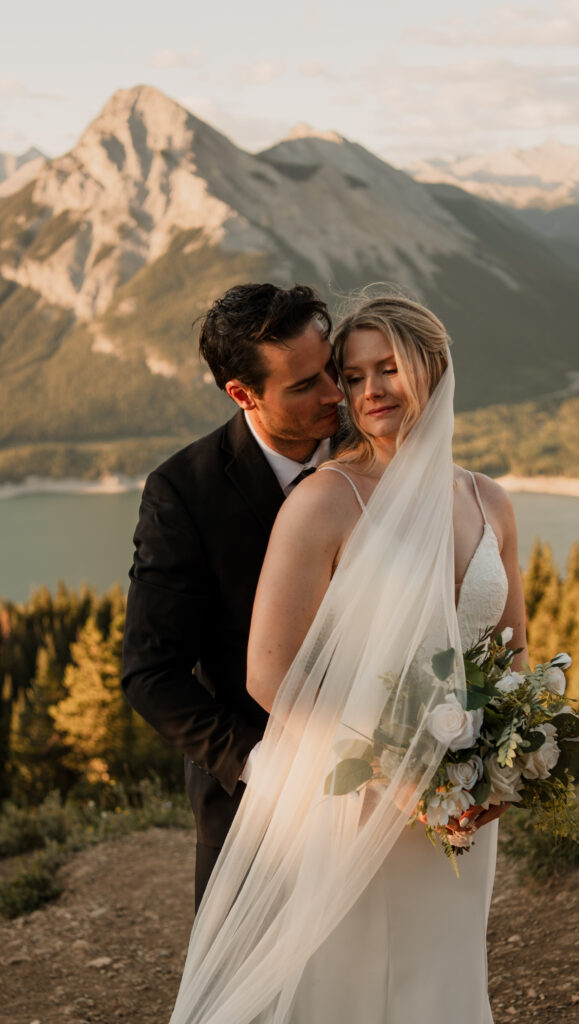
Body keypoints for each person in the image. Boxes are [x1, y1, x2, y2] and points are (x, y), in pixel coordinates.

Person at [168, 292, 528, 1024]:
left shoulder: (489, 502)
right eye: (352, 375)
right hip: (355, 800)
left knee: (439, 978)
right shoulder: (326, 499)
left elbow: (511, 656)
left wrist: (501, 769)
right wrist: (397, 779)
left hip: (459, 810)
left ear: (434, 367)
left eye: (386, 369)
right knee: (349, 990)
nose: (367, 392)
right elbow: (270, 673)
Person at [121, 283, 344, 910]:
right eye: (304, 385)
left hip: (394, 779)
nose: (335, 392)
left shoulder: (378, 443)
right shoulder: (182, 493)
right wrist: (265, 765)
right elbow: (151, 674)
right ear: (243, 395)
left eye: (331, 366)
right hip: (258, 802)